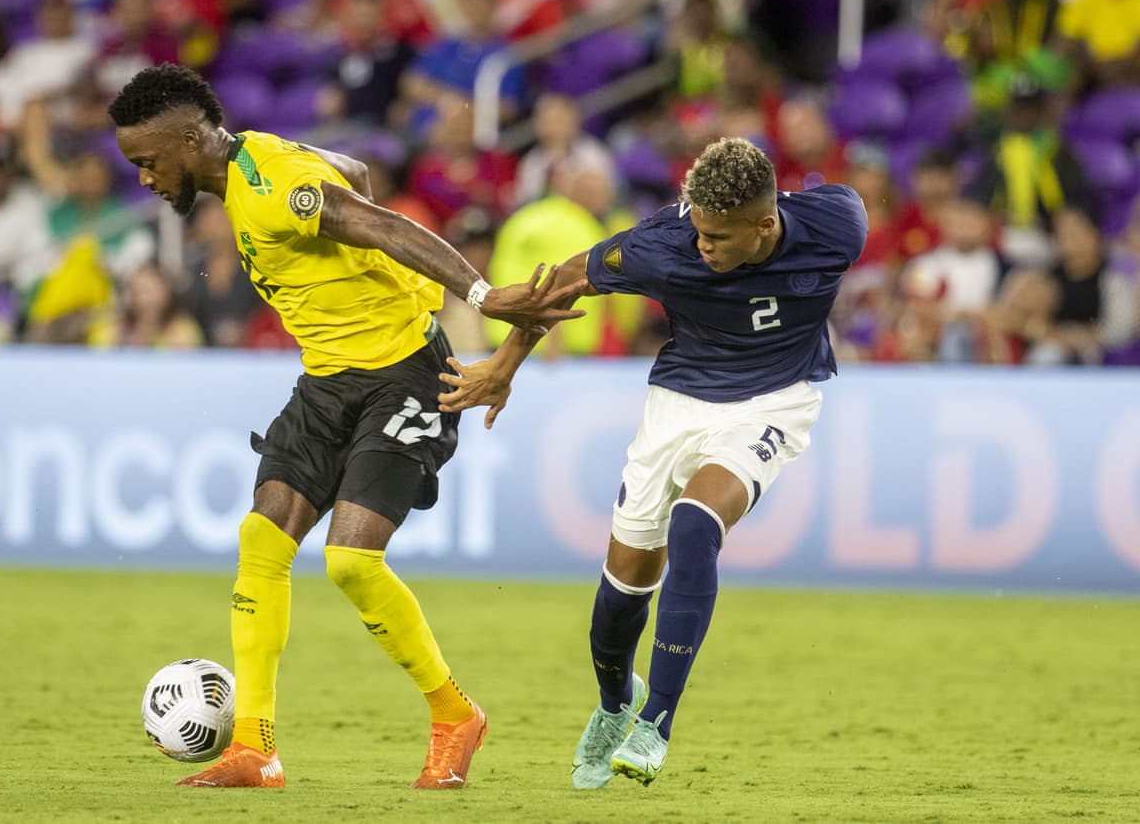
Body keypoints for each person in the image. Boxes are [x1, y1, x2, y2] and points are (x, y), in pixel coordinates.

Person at [106, 63, 584, 790]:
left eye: (147, 161)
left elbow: (380, 222)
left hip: (405, 373)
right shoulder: (253, 165)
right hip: (329, 379)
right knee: (262, 537)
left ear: (188, 137)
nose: (144, 178)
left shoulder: (267, 187)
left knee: (352, 561)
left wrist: (484, 297)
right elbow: (353, 170)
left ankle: (456, 713)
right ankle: (255, 747)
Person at [439, 137, 867, 788]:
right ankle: (615, 706)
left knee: (696, 523)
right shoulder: (661, 242)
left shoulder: (838, 224)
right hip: (678, 403)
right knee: (622, 590)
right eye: (697, 230)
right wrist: (501, 366)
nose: (702, 246)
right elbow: (558, 283)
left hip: (775, 402)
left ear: (765, 221)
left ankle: (656, 722)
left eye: (718, 237)